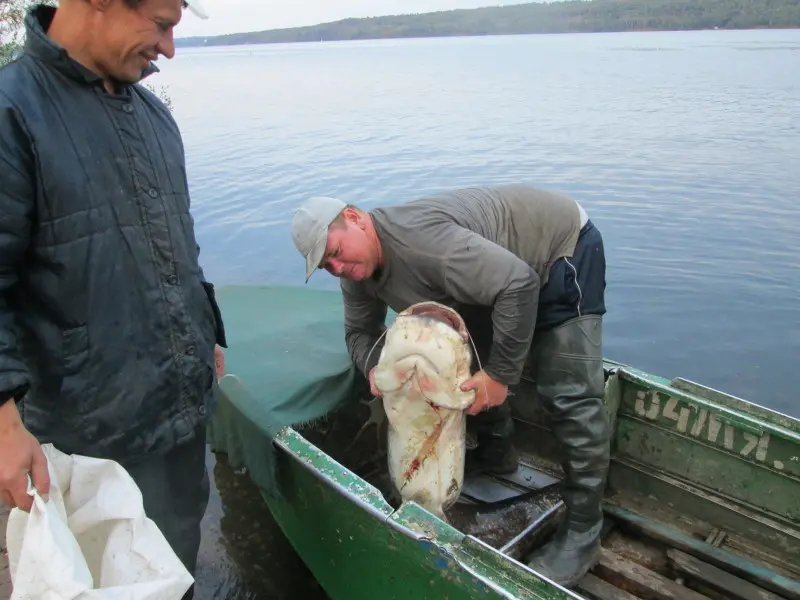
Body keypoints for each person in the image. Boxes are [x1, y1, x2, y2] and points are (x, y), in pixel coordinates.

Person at [0, 1, 226, 597]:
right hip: (88, 437)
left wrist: (210, 330)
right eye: (160, 24)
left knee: (174, 565)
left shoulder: (154, 117)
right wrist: (2, 422)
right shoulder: (12, 112)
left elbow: (180, 239)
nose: (170, 48)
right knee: (105, 578)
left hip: (178, 417)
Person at [290, 184, 610, 586]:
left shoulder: (424, 247)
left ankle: (583, 530)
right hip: (500, 276)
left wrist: (500, 378)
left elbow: (520, 284)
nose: (336, 268)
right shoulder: (357, 273)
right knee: (461, 351)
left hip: (559, 250)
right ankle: (497, 453)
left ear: (355, 219)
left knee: (569, 395)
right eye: (326, 266)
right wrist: (376, 368)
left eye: (335, 253)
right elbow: (359, 332)